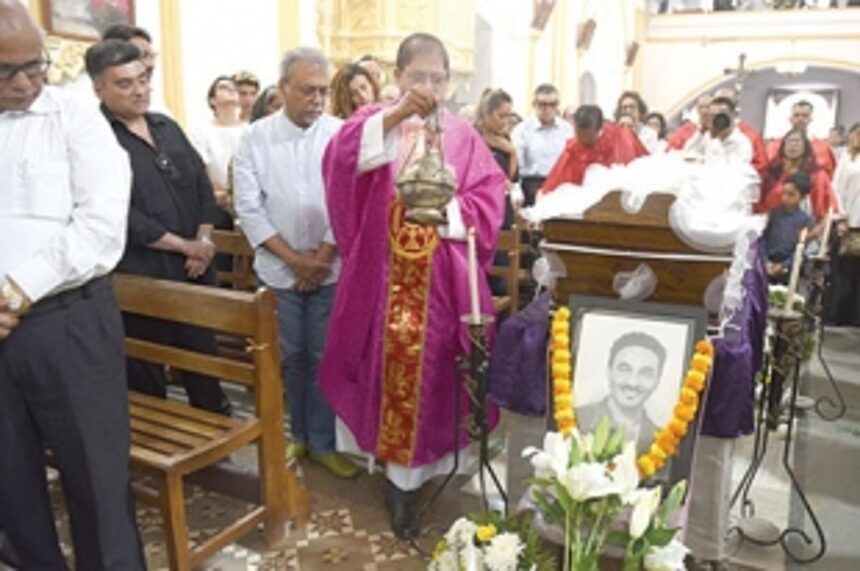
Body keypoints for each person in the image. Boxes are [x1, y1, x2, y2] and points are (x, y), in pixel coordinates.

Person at [320, 32, 506, 539]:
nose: (427, 86)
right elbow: (342, 162)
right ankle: (399, 485)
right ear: (397, 77)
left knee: (444, 377)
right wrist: (399, 114)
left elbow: (490, 198)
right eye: (417, 76)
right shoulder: (376, 121)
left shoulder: (463, 136)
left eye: (437, 78)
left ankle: (439, 468)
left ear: (449, 81)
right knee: (389, 375)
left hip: (445, 281)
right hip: (384, 279)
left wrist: (445, 204)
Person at [0, 4, 144, 568]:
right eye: (7, 72)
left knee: (98, 486)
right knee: (11, 485)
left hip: (69, 325)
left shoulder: (76, 117)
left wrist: (14, 291)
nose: (26, 82)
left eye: (35, 66)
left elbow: (100, 227)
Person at [86, 39, 231, 414]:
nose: (139, 90)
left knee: (203, 361)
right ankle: (160, 458)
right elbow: (122, 213)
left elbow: (201, 184)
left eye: (143, 79)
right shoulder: (95, 139)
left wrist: (202, 240)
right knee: (146, 373)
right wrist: (184, 247)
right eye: (124, 83)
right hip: (145, 276)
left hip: (196, 270)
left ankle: (215, 445)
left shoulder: (166, 126)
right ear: (98, 87)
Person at [233, 47, 358, 480]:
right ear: (283, 88)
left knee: (324, 356)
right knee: (291, 356)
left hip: (329, 267)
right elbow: (249, 209)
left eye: (323, 91)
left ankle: (323, 443)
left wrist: (320, 259)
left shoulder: (342, 135)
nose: (317, 100)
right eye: (307, 91)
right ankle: (298, 435)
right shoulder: (255, 138)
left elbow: (349, 204)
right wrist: (294, 262)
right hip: (278, 270)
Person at [577, 331, 665, 456]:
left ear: (657, 380)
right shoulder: (577, 419)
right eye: (625, 369)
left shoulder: (663, 441)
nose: (632, 383)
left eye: (646, 373)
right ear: (609, 371)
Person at [540, 104, 648, 194]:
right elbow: (556, 180)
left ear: (600, 128)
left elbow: (642, 168)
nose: (584, 140)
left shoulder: (622, 138)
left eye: (588, 137)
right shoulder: (575, 145)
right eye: (579, 135)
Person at [192, 75, 246, 222]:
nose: (230, 90)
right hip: (216, 202)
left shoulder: (249, 130)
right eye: (223, 87)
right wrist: (218, 195)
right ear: (212, 100)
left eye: (234, 89)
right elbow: (199, 168)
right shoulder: (201, 131)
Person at [756, 128, 840, 221]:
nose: (792, 145)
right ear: (783, 147)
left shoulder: (817, 175)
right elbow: (758, 201)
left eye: (797, 142)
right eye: (789, 141)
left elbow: (828, 208)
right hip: (768, 224)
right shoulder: (772, 171)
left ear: (805, 147)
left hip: (805, 227)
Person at [511, 83, 572, 206]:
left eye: (552, 104)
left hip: (560, 186)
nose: (548, 109)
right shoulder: (522, 130)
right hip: (532, 186)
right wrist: (516, 189)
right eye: (543, 104)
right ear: (534, 105)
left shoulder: (567, 130)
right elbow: (517, 164)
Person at [828, 123, 860, 325]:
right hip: (849, 222)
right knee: (843, 276)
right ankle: (837, 318)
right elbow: (836, 189)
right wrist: (841, 217)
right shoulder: (847, 159)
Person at [762, 171, 815, 282]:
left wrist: (784, 265)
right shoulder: (774, 215)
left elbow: (802, 249)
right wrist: (766, 261)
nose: (785, 198)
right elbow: (764, 240)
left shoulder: (805, 220)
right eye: (784, 193)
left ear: (803, 196)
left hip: (790, 268)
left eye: (791, 194)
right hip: (768, 263)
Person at [766, 100, 837, 177]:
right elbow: (767, 169)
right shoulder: (774, 145)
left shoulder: (823, 147)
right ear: (790, 118)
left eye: (805, 116)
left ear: (810, 119)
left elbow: (830, 174)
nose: (800, 119)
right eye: (796, 115)